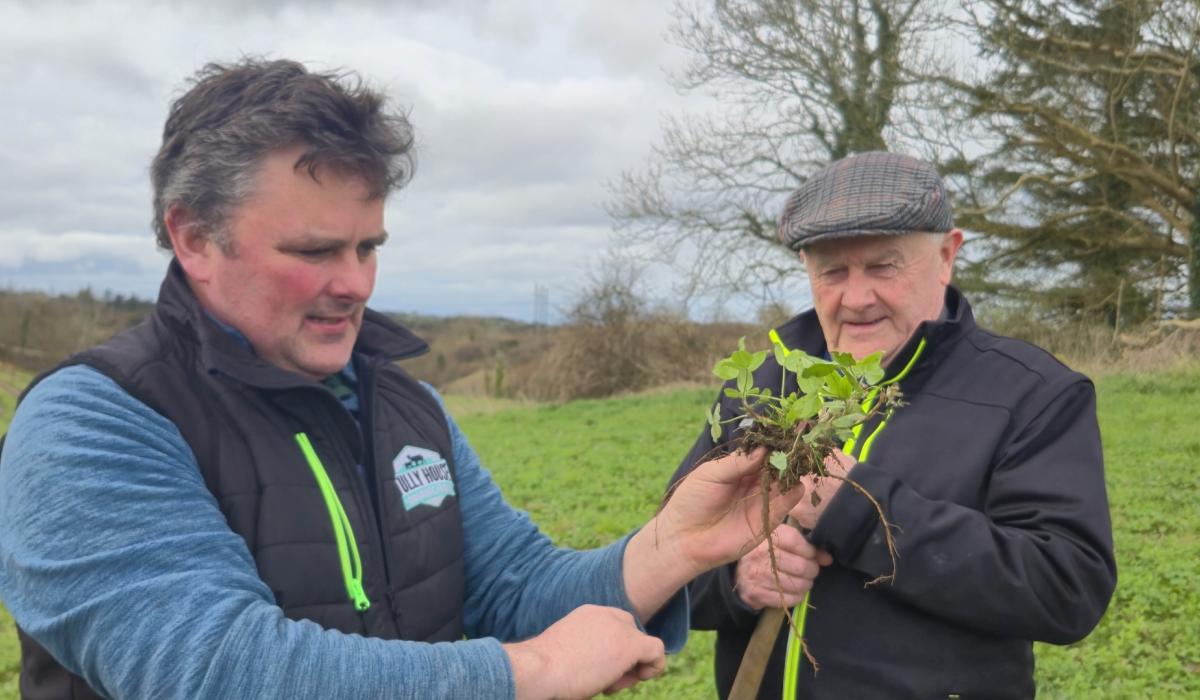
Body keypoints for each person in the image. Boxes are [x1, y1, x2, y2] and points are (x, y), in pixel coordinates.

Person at [0, 58, 807, 700]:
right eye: (315, 251)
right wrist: (528, 672)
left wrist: (675, 546)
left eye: (368, 247)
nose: (355, 284)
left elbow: (518, 587)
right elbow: (215, 669)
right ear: (194, 238)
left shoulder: (406, 406)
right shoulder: (92, 422)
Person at [670, 151, 1117, 699]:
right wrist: (738, 580)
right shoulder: (762, 388)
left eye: (883, 266)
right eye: (832, 271)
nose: (857, 298)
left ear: (947, 256)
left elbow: (1068, 588)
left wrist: (855, 509)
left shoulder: (1033, 395)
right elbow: (666, 558)